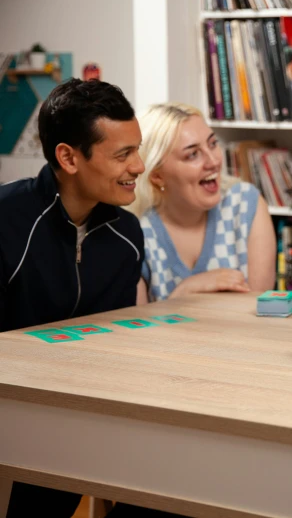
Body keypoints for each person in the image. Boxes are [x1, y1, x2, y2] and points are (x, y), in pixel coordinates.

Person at [0, 79, 182, 517]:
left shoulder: (127, 234)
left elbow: (114, 343)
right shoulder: (7, 221)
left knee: (172, 478)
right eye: (123, 154)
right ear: (68, 157)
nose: (139, 165)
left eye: (137, 149)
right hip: (19, 413)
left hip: (81, 416)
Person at [128, 103, 276, 303]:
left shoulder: (246, 204)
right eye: (192, 154)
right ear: (157, 176)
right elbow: (136, 327)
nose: (213, 161)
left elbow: (260, 309)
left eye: (213, 144)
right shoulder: (136, 230)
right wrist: (186, 290)